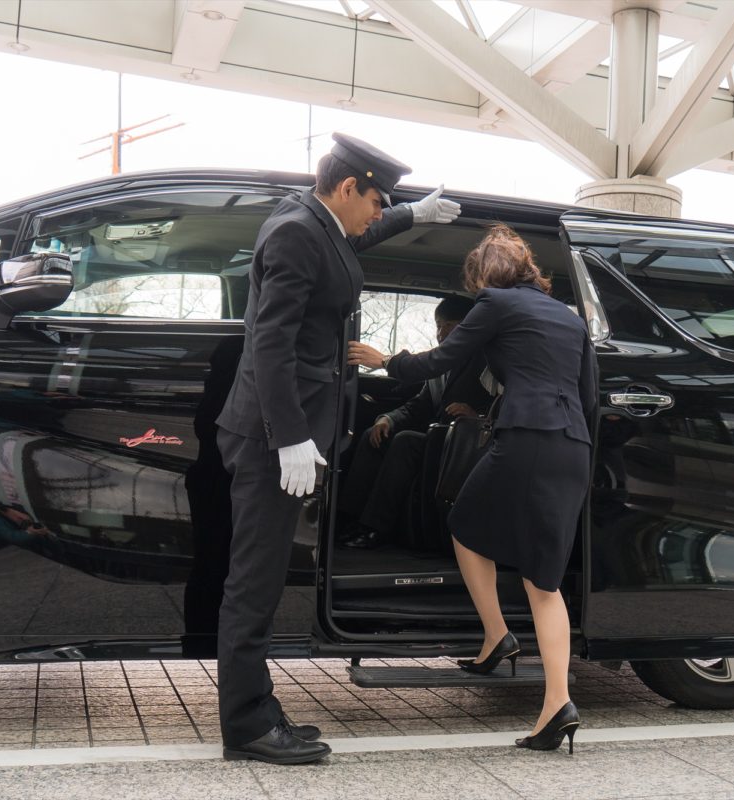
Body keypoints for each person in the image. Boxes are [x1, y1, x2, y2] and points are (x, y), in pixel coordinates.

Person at [214, 133, 461, 765]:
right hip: (274, 437)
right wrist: (290, 435)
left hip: (288, 429)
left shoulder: (314, 221)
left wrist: (413, 214)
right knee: (255, 581)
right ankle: (245, 726)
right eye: (378, 200)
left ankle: (257, 709)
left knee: (263, 578)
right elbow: (269, 342)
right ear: (348, 187)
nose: (378, 213)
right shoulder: (298, 232)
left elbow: (352, 243)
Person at [348, 225, 597, 754]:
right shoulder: (570, 319)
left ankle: (496, 635)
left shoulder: (496, 303)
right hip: (573, 445)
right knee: (543, 579)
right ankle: (558, 701)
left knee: (463, 524)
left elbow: (442, 360)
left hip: (526, 439)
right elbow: (589, 396)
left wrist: (383, 361)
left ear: (487, 274)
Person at [338, 295, 491, 549]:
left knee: (406, 441)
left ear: (466, 328)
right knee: (373, 435)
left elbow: (505, 400)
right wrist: (388, 418)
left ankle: (375, 527)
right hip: (436, 440)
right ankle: (348, 518)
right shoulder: (439, 363)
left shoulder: (486, 360)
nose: (441, 333)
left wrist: (477, 414)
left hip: (463, 446)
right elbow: (419, 406)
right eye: (438, 325)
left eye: (449, 326)